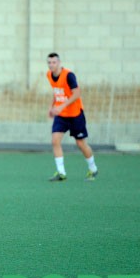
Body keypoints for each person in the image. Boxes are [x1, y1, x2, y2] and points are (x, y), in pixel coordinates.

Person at [46, 52, 98, 181]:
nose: (51, 65)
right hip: (61, 116)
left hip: (75, 114)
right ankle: (61, 173)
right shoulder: (49, 75)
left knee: (81, 144)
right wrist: (51, 107)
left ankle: (93, 169)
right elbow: (57, 92)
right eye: (49, 62)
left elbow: (76, 94)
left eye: (54, 62)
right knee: (55, 141)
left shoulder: (69, 75)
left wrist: (61, 106)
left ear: (59, 63)